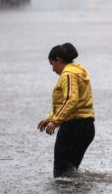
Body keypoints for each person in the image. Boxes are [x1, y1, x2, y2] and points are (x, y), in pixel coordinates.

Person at [37, 43, 95, 178]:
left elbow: (71, 100)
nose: (52, 69)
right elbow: (73, 102)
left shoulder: (68, 75)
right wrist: (51, 118)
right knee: (70, 173)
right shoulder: (79, 72)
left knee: (60, 175)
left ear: (59, 60)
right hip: (86, 127)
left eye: (52, 64)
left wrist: (56, 121)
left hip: (73, 127)